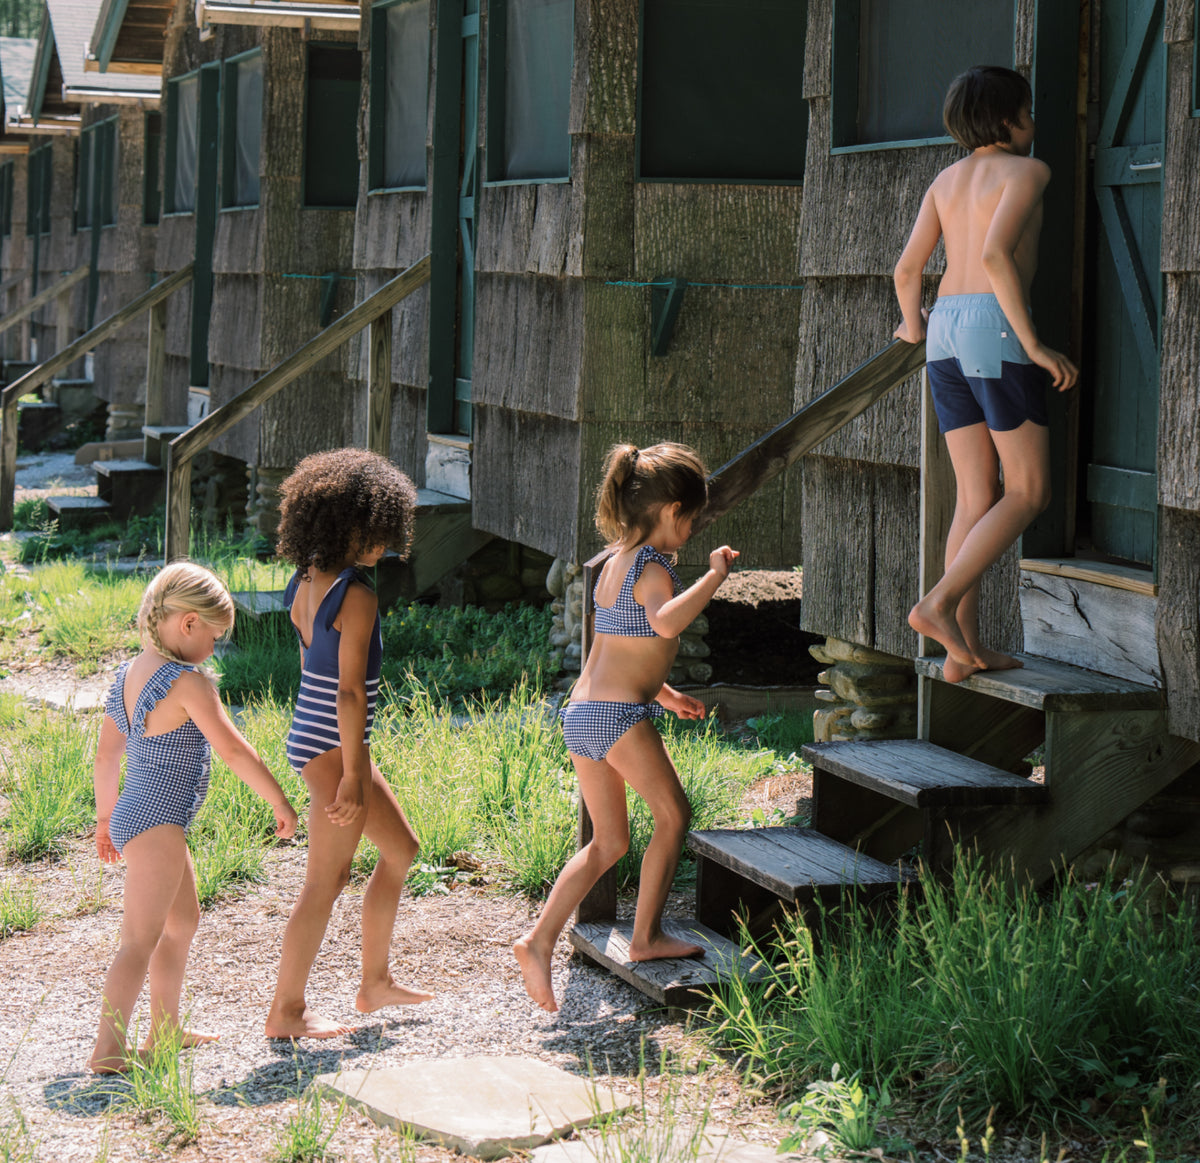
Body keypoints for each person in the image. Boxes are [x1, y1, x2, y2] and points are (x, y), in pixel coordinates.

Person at [514, 442, 739, 1013]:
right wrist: (713, 577)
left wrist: (665, 693)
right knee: (674, 815)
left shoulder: (615, 559)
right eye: (693, 517)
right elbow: (663, 625)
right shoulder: (656, 566)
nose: (693, 528)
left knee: (608, 842)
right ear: (672, 510)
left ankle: (537, 941)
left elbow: (621, 644)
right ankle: (645, 938)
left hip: (583, 712)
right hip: (615, 718)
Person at [893, 64, 1079, 683]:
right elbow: (997, 255)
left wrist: (912, 327)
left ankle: (961, 650)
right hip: (993, 328)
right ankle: (938, 604)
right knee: (1028, 490)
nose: (1034, 121)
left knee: (976, 495)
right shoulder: (1028, 171)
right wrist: (1036, 344)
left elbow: (906, 270)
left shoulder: (946, 180)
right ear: (1010, 118)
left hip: (943, 327)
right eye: (1028, 110)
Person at [90, 563, 298, 1074]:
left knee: (181, 921)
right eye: (214, 636)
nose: (215, 648)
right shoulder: (186, 682)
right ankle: (107, 1050)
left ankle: (166, 1028)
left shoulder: (128, 674)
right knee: (138, 939)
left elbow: (106, 755)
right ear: (187, 624)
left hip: (141, 814)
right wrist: (278, 799)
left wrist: (104, 819)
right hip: (157, 820)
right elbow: (232, 749)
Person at [264, 448, 433, 1040]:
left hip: (313, 736)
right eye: (374, 532)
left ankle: (374, 982)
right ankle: (286, 1011)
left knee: (401, 849)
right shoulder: (356, 596)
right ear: (342, 523)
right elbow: (350, 695)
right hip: (332, 742)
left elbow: (314, 664)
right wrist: (354, 777)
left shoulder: (307, 576)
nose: (384, 545)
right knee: (324, 880)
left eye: (390, 532)